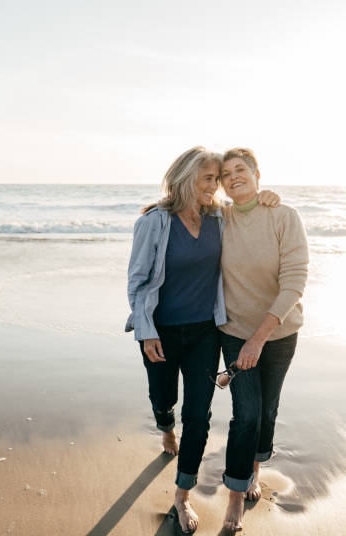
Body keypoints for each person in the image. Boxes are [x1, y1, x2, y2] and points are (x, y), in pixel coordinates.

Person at [125, 146, 279, 533]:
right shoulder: (154, 222)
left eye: (218, 178)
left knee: (199, 416)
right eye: (208, 178)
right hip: (159, 331)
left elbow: (249, 215)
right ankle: (165, 428)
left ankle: (182, 495)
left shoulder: (219, 219)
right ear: (186, 178)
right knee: (164, 399)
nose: (217, 186)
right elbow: (138, 281)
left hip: (205, 333)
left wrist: (266, 197)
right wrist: (145, 333)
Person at [218, 148, 309, 532]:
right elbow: (187, 201)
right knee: (247, 415)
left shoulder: (283, 216)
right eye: (226, 174)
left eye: (241, 169)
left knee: (267, 411)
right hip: (234, 332)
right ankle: (236, 495)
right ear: (221, 184)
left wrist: (261, 337)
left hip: (279, 333)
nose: (233, 176)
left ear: (257, 174)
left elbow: (294, 280)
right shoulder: (218, 219)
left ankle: (254, 470)